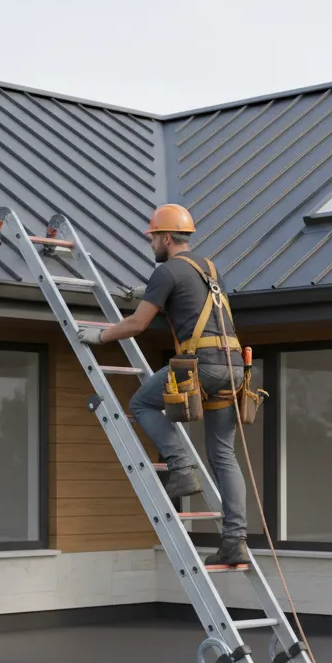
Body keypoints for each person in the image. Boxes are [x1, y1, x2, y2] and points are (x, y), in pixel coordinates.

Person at [76, 203, 250, 567]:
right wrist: (145, 291)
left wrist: (101, 335)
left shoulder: (167, 271)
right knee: (222, 455)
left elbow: (138, 325)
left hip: (202, 366)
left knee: (141, 404)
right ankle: (235, 540)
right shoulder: (210, 269)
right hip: (233, 368)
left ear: (166, 237)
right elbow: (185, 299)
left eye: (153, 238)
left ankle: (181, 468)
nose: (151, 244)